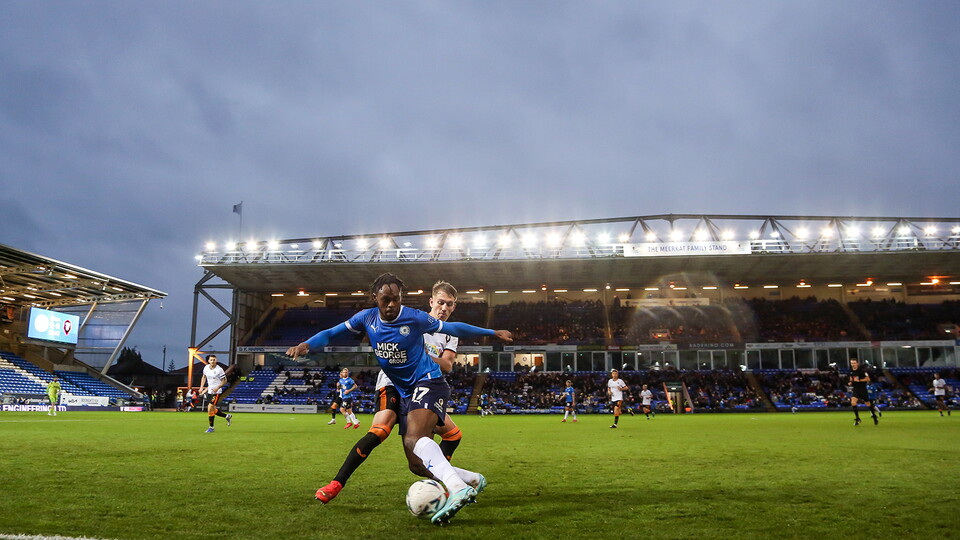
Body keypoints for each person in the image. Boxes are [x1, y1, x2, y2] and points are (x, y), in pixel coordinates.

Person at [287, 273, 512, 525]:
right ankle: (471, 479)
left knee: (418, 438)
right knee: (415, 463)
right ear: (376, 298)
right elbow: (332, 332)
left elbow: (453, 328)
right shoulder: (366, 318)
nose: (392, 304)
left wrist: (492, 331)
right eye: (386, 300)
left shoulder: (414, 317)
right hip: (402, 389)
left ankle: (457, 488)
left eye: (396, 299)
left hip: (429, 381)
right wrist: (307, 344)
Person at [315, 280, 481, 504]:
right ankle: (336, 483)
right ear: (431, 302)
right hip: (392, 382)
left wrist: (420, 357)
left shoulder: (449, 334)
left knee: (444, 442)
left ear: (454, 307)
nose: (444, 308)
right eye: (440, 302)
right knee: (380, 430)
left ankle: (463, 480)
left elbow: (448, 365)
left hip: (422, 385)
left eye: (449, 305)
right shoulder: (413, 319)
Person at [198, 354, 233, 433]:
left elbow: (225, 380)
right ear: (208, 361)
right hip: (210, 391)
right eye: (211, 360)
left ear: (216, 360)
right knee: (212, 410)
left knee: (210, 408)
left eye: (214, 360)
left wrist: (218, 387)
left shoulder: (219, 370)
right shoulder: (206, 368)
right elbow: (204, 377)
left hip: (216, 392)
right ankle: (226, 416)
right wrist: (201, 387)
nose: (212, 361)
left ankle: (211, 427)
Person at [848, 358, 879, 426]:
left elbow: (868, 379)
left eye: (854, 363)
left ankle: (874, 416)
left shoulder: (862, 371)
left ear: (857, 363)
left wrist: (859, 380)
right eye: (851, 363)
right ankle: (857, 418)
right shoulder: (850, 371)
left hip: (862, 389)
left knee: (868, 404)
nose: (853, 365)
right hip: (856, 389)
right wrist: (850, 382)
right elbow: (851, 378)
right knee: (853, 402)